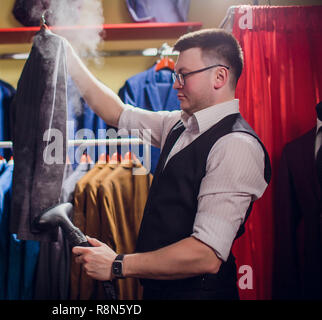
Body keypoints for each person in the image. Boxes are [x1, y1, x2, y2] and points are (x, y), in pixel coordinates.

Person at [62, 28, 271, 300]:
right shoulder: (179, 124)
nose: (175, 84)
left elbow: (206, 255)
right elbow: (115, 113)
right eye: (176, 75)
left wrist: (117, 264)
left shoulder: (235, 145)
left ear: (220, 76)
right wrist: (67, 55)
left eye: (184, 75)